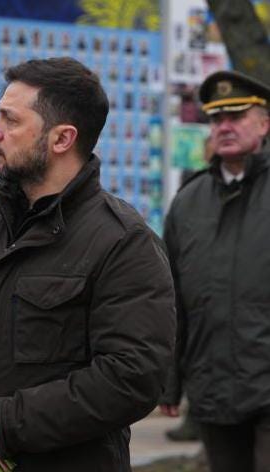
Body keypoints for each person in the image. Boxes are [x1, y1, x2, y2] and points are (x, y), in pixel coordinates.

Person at [0, 57, 175, 470]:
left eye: (10, 120)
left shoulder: (123, 242)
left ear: (61, 139)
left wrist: (6, 420)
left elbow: (131, 379)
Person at [159, 70, 270, 471]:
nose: (225, 126)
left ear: (264, 123)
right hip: (213, 390)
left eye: (237, 116)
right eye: (216, 119)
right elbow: (170, 299)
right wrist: (170, 382)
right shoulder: (189, 203)